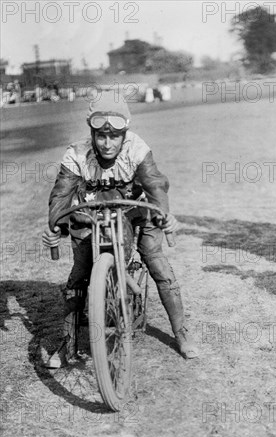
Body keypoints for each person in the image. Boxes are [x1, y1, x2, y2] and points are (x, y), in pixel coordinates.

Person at [42, 90, 198, 367]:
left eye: (114, 135)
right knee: (78, 275)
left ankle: (182, 333)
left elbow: (155, 185)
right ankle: (69, 344)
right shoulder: (76, 154)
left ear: (125, 131)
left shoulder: (137, 149)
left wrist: (164, 216)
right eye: (100, 135)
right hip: (91, 213)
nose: (107, 143)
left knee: (155, 259)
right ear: (91, 131)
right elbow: (61, 194)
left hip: (134, 209)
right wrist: (56, 225)